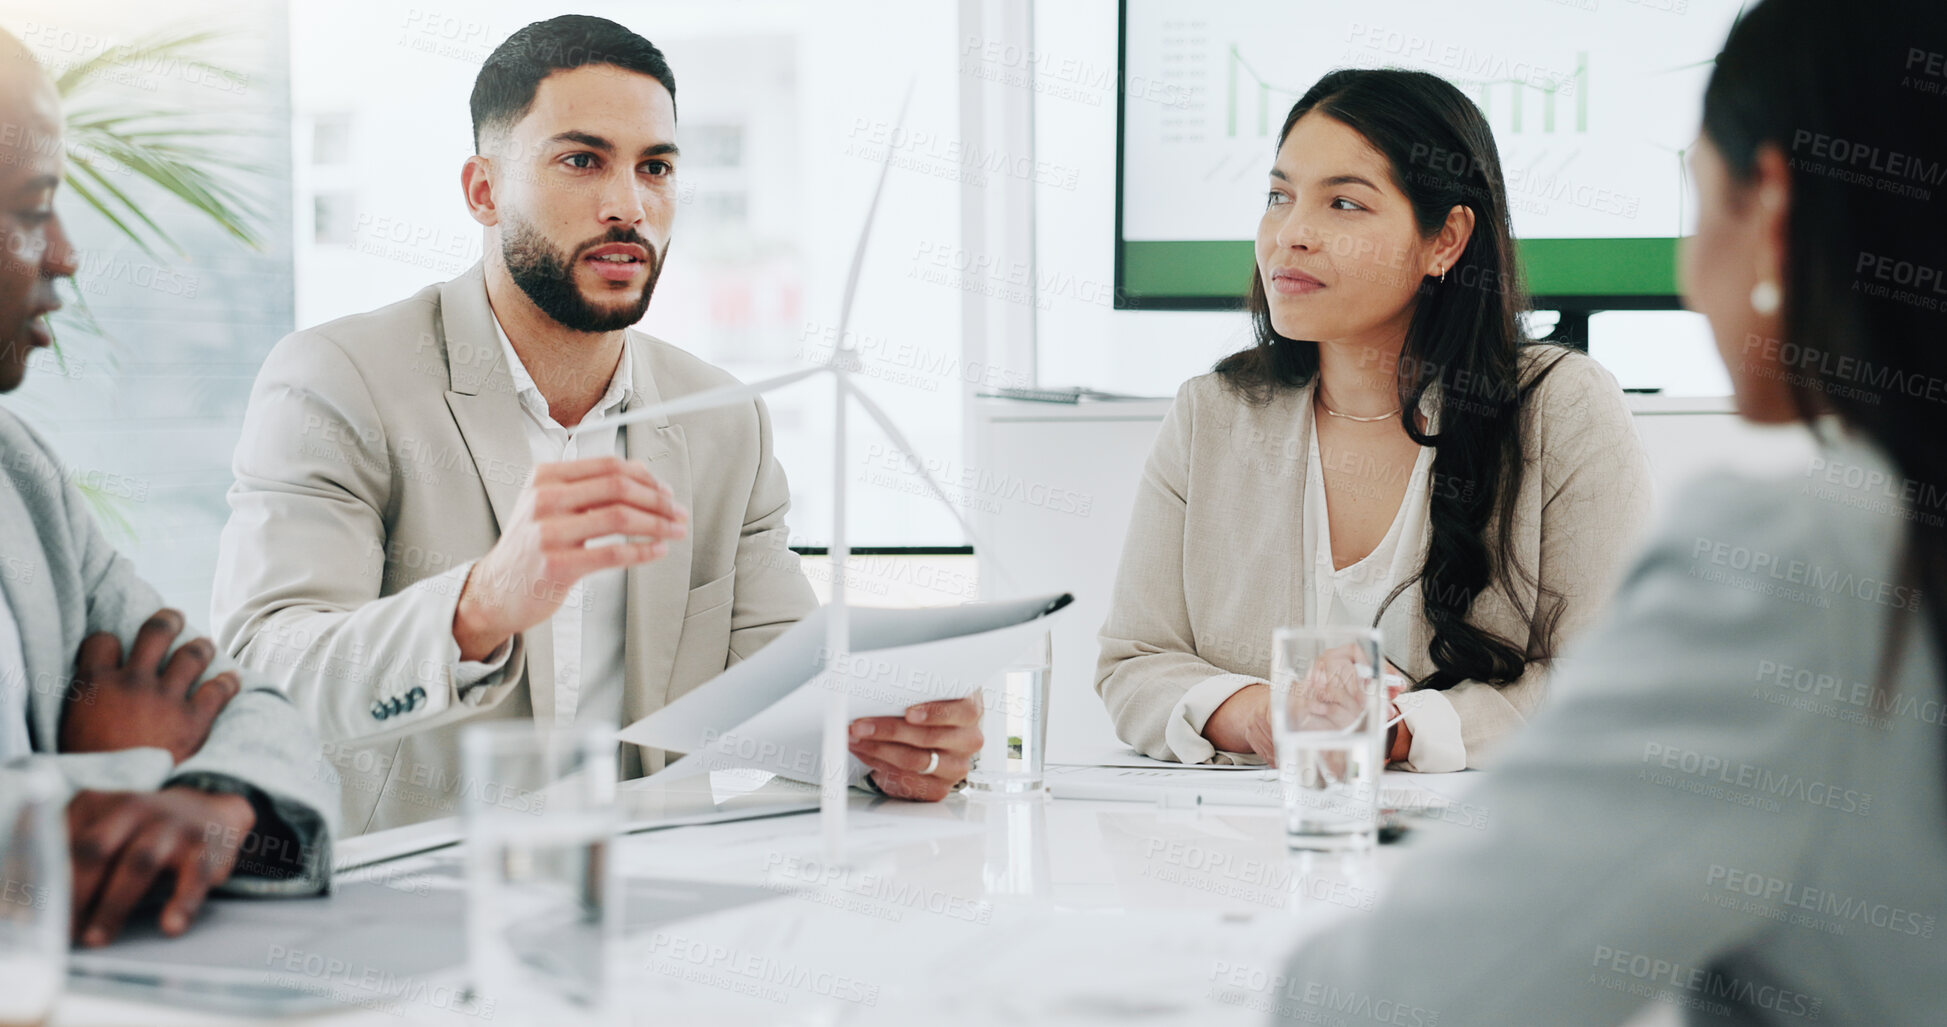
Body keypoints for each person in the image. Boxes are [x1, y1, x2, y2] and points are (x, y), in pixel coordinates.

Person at [1269, 0, 1947, 1021]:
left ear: (1768, 205)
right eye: (1279, 197)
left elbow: (1398, 1001)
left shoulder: (1803, 563)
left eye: (1695, 195)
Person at [211, 16, 978, 833]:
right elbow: (263, 669)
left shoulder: (725, 421)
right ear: (484, 190)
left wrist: (889, 739)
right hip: (410, 911)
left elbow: (786, 694)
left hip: (654, 909)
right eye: (582, 161)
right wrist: (479, 604)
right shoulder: (339, 378)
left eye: (655, 168)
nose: (628, 206)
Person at [1096, 68, 1653, 772]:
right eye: (1278, 196)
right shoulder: (1212, 413)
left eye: (1344, 204)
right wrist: (1266, 717)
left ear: (1445, 239)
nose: (1289, 234)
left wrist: (1396, 729)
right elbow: (1134, 663)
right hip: (1253, 853)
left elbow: (1613, 679)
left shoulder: (1561, 406)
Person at [0, 29, 335, 946]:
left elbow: (254, 709)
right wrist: (128, 773)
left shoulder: (19, 475)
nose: (66, 255)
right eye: (33, 210)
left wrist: (212, 796)